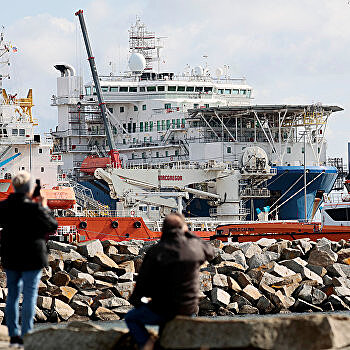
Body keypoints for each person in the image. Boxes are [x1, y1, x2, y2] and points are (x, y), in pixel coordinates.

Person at [125, 212, 215, 350]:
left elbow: (143, 284)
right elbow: (210, 251)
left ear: (164, 229)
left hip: (162, 309)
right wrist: (188, 233)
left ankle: (148, 345)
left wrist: (138, 301)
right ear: (183, 229)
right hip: (188, 309)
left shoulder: (155, 252)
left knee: (131, 318)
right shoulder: (195, 248)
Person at [0, 171, 58, 347]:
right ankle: (27, 334)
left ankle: (13, 334)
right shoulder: (35, 208)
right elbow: (52, 226)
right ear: (29, 188)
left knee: (12, 295)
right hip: (33, 256)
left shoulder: (3, 206)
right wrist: (44, 205)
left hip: (11, 255)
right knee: (30, 295)